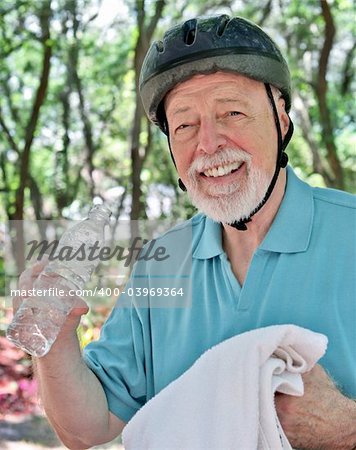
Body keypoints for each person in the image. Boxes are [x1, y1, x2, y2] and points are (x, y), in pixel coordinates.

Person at [15, 14, 356, 449]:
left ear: (281, 121)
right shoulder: (162, 261)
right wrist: (57, 343)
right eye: (185, 125)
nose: (209, 144)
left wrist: (347, 425)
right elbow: (89, 427)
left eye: (232, 112)